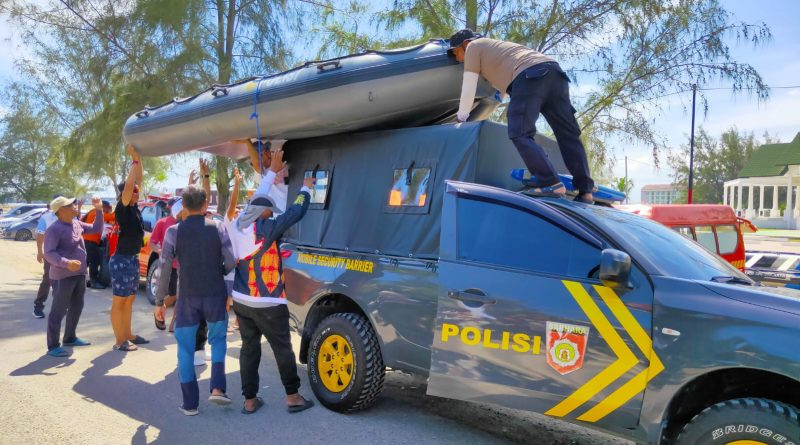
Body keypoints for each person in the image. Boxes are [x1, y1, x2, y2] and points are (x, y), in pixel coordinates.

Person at [449, 29, 595, 203]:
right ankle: (586, 191)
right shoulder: (497, 50)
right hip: (555, 73)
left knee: (519, 132)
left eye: (455, 52)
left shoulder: (473, 46)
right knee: (568, 135)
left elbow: (469, 84)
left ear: (465, 43)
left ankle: (549, 183)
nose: (457, 59)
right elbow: (502, 91)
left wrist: (462, 116)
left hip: (530, 75)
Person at [230, 147, 316, 415]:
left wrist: (269, 174)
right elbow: (294, 214)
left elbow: (258, 200)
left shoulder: (237, 226)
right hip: (267, 301)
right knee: (282, 349)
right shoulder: (266, 229)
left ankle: (249, 400)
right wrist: (307, 189)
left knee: (249, 348)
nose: (273, 214)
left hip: (242, 300)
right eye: (270, 212)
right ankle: (292, 396)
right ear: (264, 214)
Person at [154, 186, 236, 416]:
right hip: (215, 294)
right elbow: (230, 261)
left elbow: (164, 269)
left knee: (186, 348)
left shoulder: (173, 231)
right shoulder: (218, 227)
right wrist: (220, 276)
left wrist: (160, 302)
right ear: (204, 205)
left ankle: (190, 404)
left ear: (184, 206)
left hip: (187, 298)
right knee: (218, 340)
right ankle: (218, 388)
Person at [43, 196, 104, 357]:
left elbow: (96, 229)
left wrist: (99, 210)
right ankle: (53, 346)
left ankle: (70, 338)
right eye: (71, 205)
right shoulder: (54, 229)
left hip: (79, 274)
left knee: (77, 307)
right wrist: (66, 262)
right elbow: (48, 253)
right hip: (62, 277)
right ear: (61, 210)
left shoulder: (76, 223)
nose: (75, 206)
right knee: (58, 311)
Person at [110, 144, 149, 351]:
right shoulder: (122, 207)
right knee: (120, 300)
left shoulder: (134, 207)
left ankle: (128, 334)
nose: (136, 192)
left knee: (130, 299)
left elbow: (138, 181)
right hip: (121, 259)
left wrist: (138, 158)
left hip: (132, 258)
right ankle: (119, 341)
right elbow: (130, 187)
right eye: (132, 190)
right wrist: (133, 162)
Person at [33, 195, 61, 319]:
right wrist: (40, 251)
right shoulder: (46, 218)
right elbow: (40, 236)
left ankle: (60, 308)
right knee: (48, 280)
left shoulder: (69, 217)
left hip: (66, 255)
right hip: (51, 254)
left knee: (63, 282)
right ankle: (38, 306)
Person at [83, 200, 115, 289]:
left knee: (86, 262)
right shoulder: (97, 213)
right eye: (108, 208)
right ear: (103, 207)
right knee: (94, 262)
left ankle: (81, 279)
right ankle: (93, 282)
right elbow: (113, 217)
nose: (108, 210)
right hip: (90, 241)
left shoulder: (93, 212)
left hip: (87, 240)